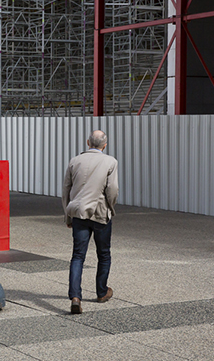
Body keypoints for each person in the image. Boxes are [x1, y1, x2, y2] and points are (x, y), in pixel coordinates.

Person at [62, 129, 119, 314]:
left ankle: (75, 297)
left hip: (78, 213)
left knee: (78, 256)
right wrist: (111, 208)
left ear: (88, 143)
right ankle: (102, 292)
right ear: (105, 145)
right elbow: (112, 189)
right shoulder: (110, 161)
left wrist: (68, 215)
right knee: (104, 254)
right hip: (100, 213)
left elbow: (66, 189)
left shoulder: (74, 161)